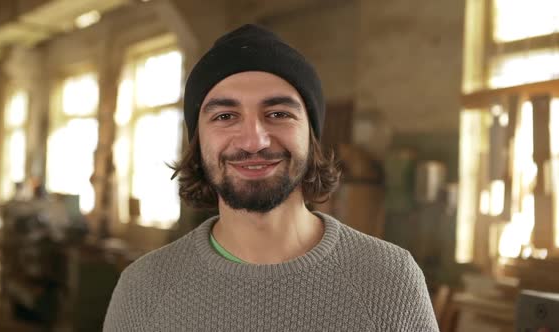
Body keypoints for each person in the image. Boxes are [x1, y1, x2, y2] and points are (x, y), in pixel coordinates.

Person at [103, 24, 438, 331]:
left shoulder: (390, 280)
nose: (254, 141)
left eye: (278, 114)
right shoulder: (143, 289)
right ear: (198, 140)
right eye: (225, 116)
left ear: (311, 134)